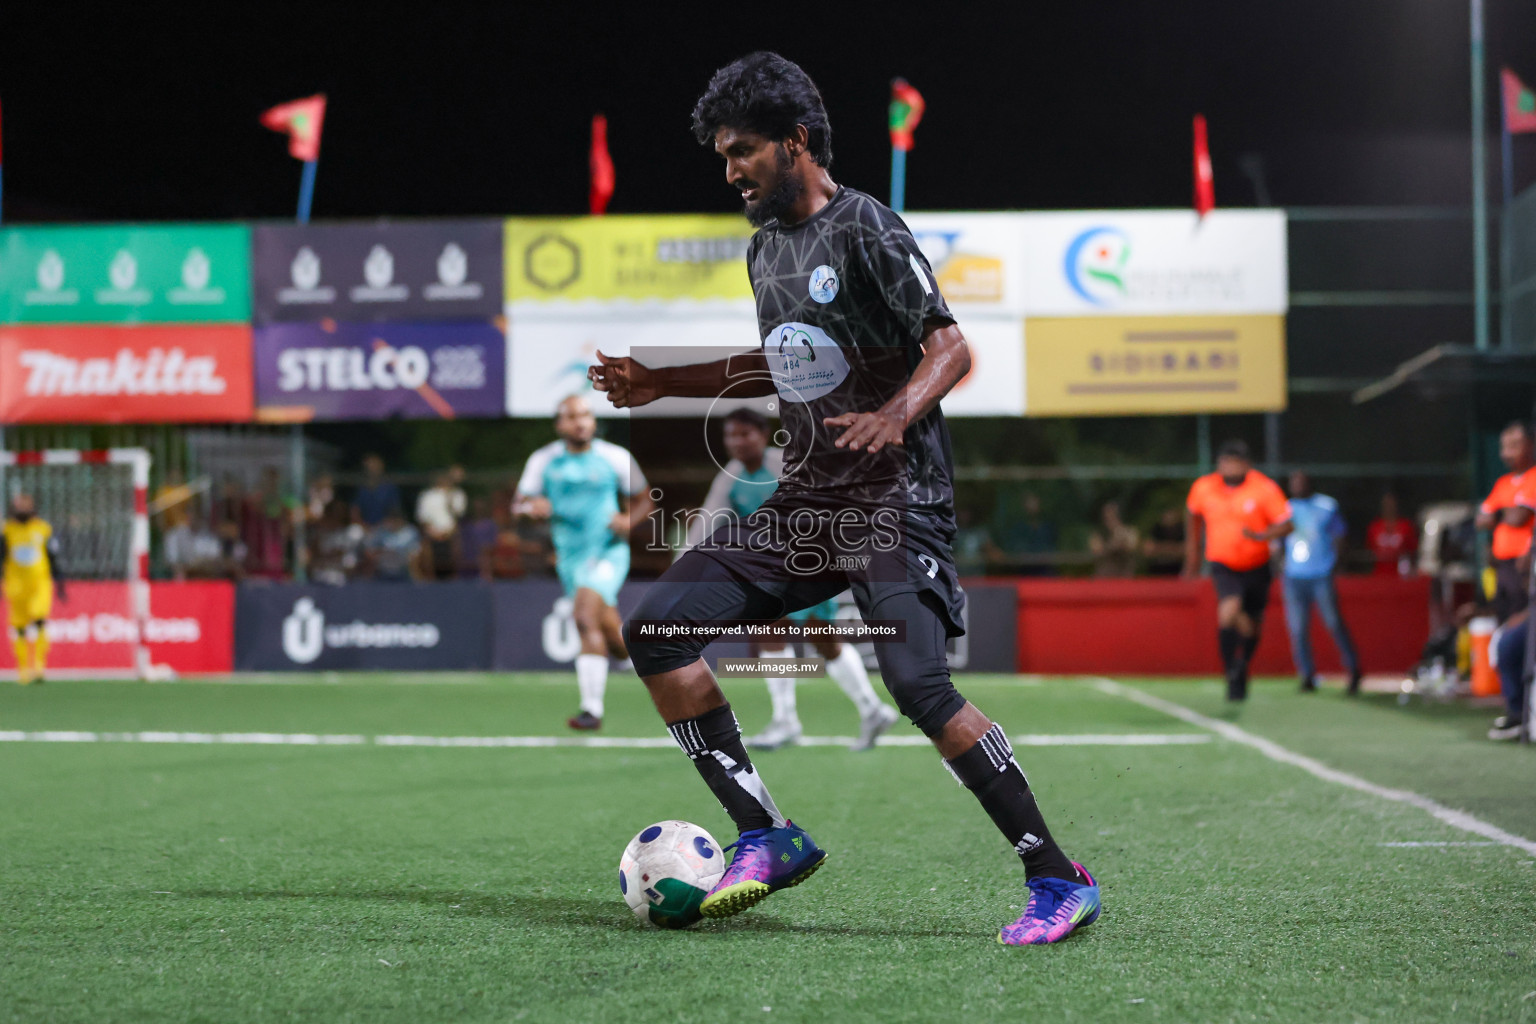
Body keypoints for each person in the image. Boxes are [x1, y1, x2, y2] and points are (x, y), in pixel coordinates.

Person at [586, 53, 1099, 946]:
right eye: (723, 156)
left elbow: (950, 346)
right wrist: (658, 380)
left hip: (897, 500)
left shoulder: (868, 227)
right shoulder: (764, 249)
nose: (733, 169)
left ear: (796, 142)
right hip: (809, 501)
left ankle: (1058, 877)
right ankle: (764, 832)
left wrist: (896, 412)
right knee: (657, 630)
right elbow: (779, 364)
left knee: (919, 685)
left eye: (744, 151)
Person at [686, 406, 900, 752]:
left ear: (763, 435)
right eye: (730, 435)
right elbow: (705, 523)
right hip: (774, 565)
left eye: (745, 433)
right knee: (779, 630)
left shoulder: (786, 463)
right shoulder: (731, 476)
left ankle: (858, 711)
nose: (737, 442)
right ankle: (817, 716)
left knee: (818, 638)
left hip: (813, 557)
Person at [514, 395, 653, 731]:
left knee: (583, 615)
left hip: (607, 550)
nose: (581, 422)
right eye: (572, 417)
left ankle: (591, 710)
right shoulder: (543, 460)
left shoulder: (615, 457)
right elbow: (519, 505)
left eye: (586, 415)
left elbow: (645, 499)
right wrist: (531, 509)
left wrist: (628, 520)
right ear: (560, 424)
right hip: (569, 558)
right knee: (613, 639)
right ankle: (646, 660)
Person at [1184, 440, 1292, 701]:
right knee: (1228, 611)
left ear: (1246, 464)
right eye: (1224, 462)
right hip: (1223, 564)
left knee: (1252, 627)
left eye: (1234, 462)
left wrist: (1261, 535)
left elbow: (1287, 524)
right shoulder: (1204, 487)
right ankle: (1231, 671)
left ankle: (1242, 665)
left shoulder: (1263, 488)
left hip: (1256, 565)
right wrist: (1193, 557)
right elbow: (1192, 515)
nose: (1228, 467)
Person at [1281, 471, 1362, 695]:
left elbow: (1339, 535)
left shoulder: (1326, 506)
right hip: (1294, 576)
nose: (1297, 485)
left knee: (1333, 622)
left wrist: (1335, 563)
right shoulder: (1285, 508)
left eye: (1301, 481)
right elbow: (1278, 540)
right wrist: (1279, 564)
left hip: (1321, 574)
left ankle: (1353, 669)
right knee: (1297, 628)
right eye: (1293, 482)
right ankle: (1307, 675)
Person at [2, 494, 66, 686]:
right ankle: (22, 669)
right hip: (15, 585)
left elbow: (53, 557)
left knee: (39, 620)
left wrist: (61, 583)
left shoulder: (43, 529)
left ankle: (39, 666)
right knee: (19, 627)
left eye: (25, 506)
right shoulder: (7, 530)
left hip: (39, 584)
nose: (22, 510)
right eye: (18, 506)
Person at [1476, 422, 1535, 622]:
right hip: (1501, 567)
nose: (1507, 453)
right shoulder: (1503, 483)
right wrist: (1504, 513)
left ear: (1531, 445)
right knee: (1502, 619)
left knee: (1520, 623)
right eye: (1504, 447)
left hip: (1524, 567)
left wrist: (1498, 514)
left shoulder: (1534, 477)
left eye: (1514, 446)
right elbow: (1480, 519)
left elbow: (1519, 518)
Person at [416, 469, 467, 580]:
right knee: (424, 545)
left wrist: (449, 500)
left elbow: (459, 516)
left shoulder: (458, 494)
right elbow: (423, 519)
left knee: (458, 539)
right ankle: (430, 578)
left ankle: (455, 577)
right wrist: (433, 532)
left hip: (452, 532)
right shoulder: (426, 496)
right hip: (431, 533)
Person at [363, 506, 421, 582]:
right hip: (382, 569)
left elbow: (417, 552)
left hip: (405, 568)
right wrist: (380, 553)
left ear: (401, 519)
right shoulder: (381, 532)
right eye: (391, 519)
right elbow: (369, 550)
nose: (393, 522)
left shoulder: (411, 532)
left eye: (396, 519)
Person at [1365, 493, 1416, 577]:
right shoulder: (1374, 527)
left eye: (1391, 504)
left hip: (1401, 575)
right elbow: (1370, 552)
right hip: (1379, 574)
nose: (1389, 507)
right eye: (1386, 504)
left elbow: (1412, 551)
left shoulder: (1406, 526)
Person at [1088, 500, 1138, 577]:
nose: (1109, 518)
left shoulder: (1129, 531)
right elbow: (1096, 551)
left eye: (1113, 515)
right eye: (1106, 516)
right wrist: (1113, 544)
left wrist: (1119, 533)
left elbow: (1131, 547)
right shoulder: (1099, 533)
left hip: (1124, 575)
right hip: (1104, 575)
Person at [353, 454, 401, 529]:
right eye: (369, 466)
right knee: (354, 531)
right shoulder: (360, 488)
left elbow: (394, 511)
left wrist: (383, 525)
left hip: (384, 526)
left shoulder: (389, 488)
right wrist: (364, 526)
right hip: (364, 527)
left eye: (375, 466)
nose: (372, 469)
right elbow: (355, 511)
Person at [1142, 506, 1186, 577]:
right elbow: (1148, 550)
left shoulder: (1182, 530)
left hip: (1177, 572)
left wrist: (1160, 548)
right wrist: (1173, 549)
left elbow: (1186, 551)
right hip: (1156, 572)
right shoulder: (1156, 529)